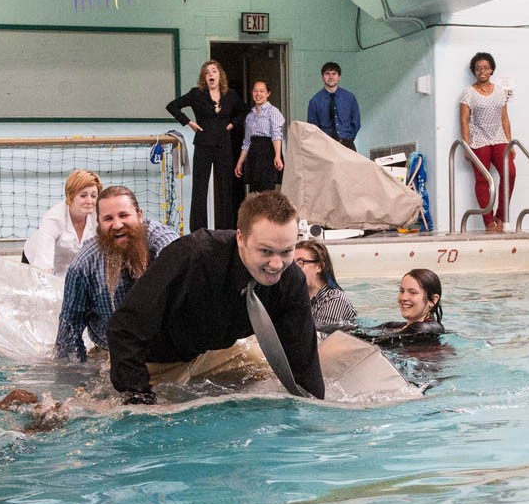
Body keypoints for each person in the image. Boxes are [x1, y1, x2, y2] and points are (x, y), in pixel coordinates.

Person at [107, 190, 324, 404]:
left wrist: (313, 419)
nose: (277, 265)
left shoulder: (291, 280)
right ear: (240, 237)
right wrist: (139, 398)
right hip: (157, 360)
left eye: (286, 252)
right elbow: (124, 329)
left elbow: (303, 363)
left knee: (269, 377)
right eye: (266, 251)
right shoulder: (192, 257)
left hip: (216, 353)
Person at [55, 186, 179, 362]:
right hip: (114, 357)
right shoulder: (84, 265)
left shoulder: (163, 243)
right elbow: (69, 334)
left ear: (140, 215)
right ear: (98, 224)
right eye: (108, 219)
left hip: (172, 351)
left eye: (123, 215)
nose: (117, 225)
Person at [166, 60, 248, 231]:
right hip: (203, 144)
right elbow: (172, 106)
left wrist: (232, 124)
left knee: (225, 188)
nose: (211, 74)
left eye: (214, 71)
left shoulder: (230, 94)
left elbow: (244, 110)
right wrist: (188, 122)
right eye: (207, 72)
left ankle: (226, 230)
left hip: (224, 145)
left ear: (220, 75)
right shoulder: (197, 94)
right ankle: (198, 230)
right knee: (200, 188)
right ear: (204, 77)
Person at [459, 52, 515, 233]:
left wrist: (509, 142)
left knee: (510, 173)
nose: (482, 71)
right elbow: (464, 121)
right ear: (474, 71)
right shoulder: (468, 93)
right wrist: (466, 146)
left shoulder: (500, 91)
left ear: (491, 70)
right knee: (482, 180)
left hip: (499, 138)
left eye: (485, 68)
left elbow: (505, 119)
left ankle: (501, 217)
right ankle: (489, 221)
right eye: (478, 69)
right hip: (479, 140)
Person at [22, 169, 103, 276]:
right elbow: (43, 267)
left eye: (93, 196)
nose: (89, 201)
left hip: (68, 262)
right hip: (35, 260)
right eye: (83, 195)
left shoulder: (98, 217)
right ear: (71, 195)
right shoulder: (53, 219)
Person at [354, 268, 444, 348]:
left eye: (412, 292)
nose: (404, 298)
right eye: (402, 291)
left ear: (433, 300)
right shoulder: (399, 327)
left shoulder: (425, 330)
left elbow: (372, 343)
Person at [294, 239, 357, 336]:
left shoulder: (335, 299)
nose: (293, 269)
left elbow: (321, 340)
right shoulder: (297, 298)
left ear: (319, 267)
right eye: (292, 263)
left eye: (301, 262)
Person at [234, 80, 285, 193]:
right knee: (255, 192)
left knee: (267, 192)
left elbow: (276, 135)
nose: (258, 94)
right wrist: (240, 162)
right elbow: (247, 142)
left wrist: (277, 156)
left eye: (261, 91)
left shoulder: (273, 111)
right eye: (255, 91)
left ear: (268, 93)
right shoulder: (250, 116)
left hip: (268, 152)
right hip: (254, 155)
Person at [307, 62, 360, 151]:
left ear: (339, 77)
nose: (331, 77)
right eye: (327, 74)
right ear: (322, 77)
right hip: (325, 146)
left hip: (347, 144)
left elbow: (356, 122)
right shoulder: (315, 101)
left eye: (334, 74)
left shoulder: (350, 98)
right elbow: (313, 127)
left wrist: (348, 139)